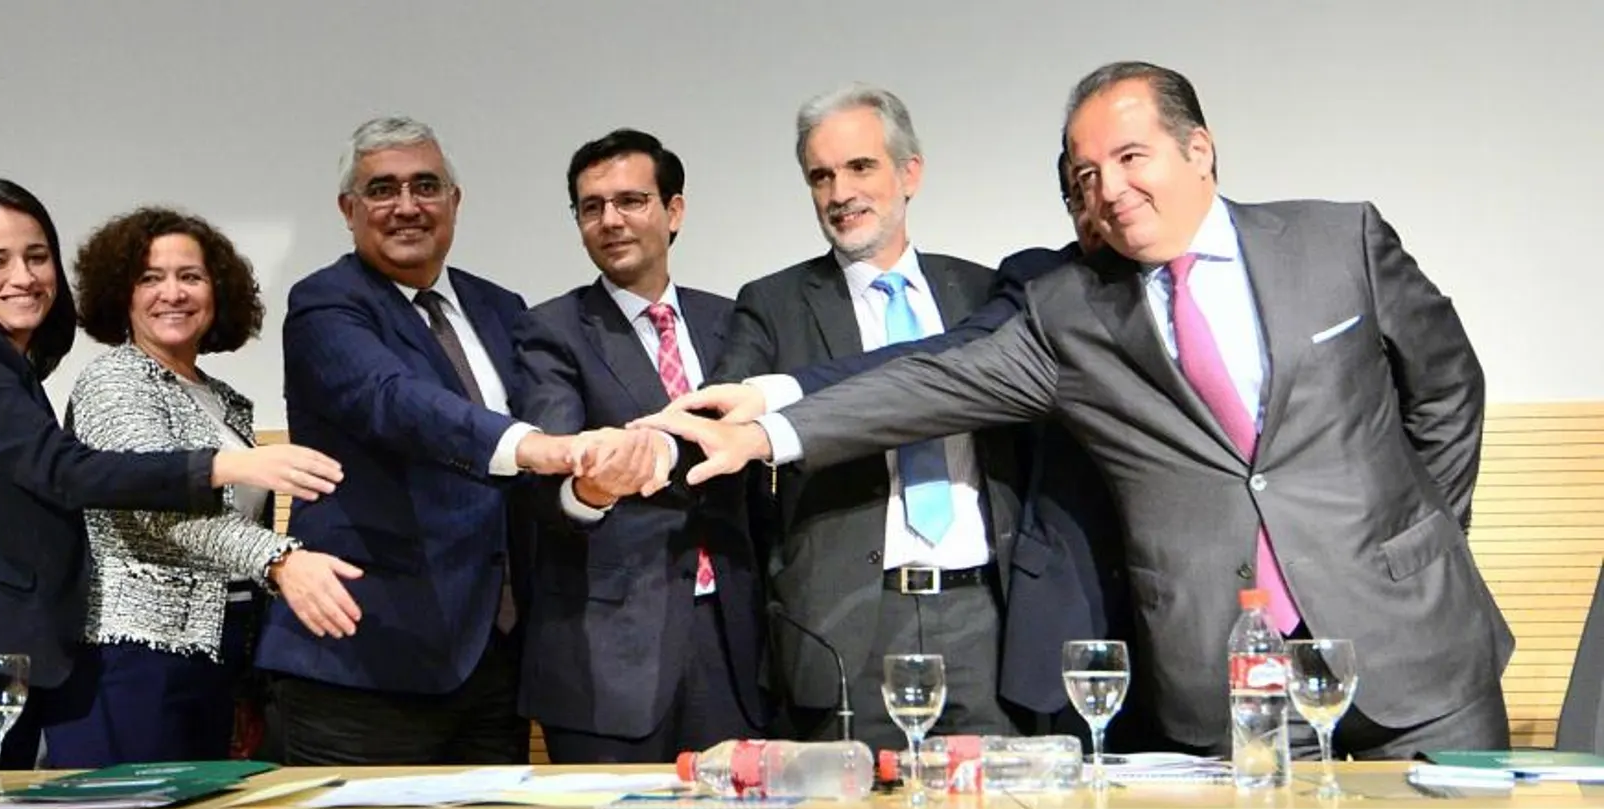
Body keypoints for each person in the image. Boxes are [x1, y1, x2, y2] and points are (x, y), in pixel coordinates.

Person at [644, 61, 1512, 759]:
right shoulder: (1071, 315)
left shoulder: (1339, 241)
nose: (1111, 188)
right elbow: (928, 382)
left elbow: (1447, 390)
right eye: (1088, 173)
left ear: (1200, 150)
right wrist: (769, 428)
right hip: (1230, 680)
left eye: (1133, 157)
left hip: (1417, 658)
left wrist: (1408, 543)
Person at [0, 178, 343, 772]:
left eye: (37, 257)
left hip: (9, 655)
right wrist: (234, 480)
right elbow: (68, 472)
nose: (22, 276)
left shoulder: (20, 371)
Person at [253, 117, 598, 766]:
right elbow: (395, 401)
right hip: (363, 659)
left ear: (454, 201)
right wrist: (527, 445)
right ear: (348, 210)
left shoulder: (500, 306)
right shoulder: (326, 304)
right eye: (382, 189)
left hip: (494, 663)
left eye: (425, 185)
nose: (406, 206)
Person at [714, 84, 1017, 753]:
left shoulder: (983, 291)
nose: (838, 192)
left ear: (910, 172)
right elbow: (722, 416)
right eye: (820, 176)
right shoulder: (774, 303)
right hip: (847, 627)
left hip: (985, 621)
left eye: (859, 167)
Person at [49, 207, 364, 766]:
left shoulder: (222, 399)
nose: (172, 293)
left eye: (190, 276)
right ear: (120, 293)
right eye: (149, 278)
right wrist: (281, 559)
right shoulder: (112, 379)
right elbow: (151, 501)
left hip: (217, 653)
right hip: (133, 654)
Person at [512, 129, 768, 762]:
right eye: (591, 206)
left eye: (631, 200)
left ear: (673, 210)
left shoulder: (733, 319)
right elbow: (553, 471)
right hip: (609, 648)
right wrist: (590, 487)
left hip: (734, 639)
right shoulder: (550, 330)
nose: (611, 220)